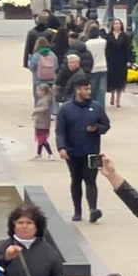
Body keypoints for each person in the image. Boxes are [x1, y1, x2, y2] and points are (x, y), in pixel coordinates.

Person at [56, 82, 110, 223]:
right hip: (73, 152)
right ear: (78, 90)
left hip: (93, 152)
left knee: (91, 180)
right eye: (86, 89)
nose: (89, 91)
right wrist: (61, 147)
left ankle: (93, 209)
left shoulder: (96, 107)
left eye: (89, 88)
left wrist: (97, 128)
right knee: (76, 180)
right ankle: (77, 211)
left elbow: (106, 125)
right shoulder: (65, 109)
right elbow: (60, 131)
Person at [104, 19, 135, 108]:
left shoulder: (124, 36)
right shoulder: (108, 36)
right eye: (115, 24)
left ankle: (118, 99)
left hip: (121, 60)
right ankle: (112, 95)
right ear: (112, 25)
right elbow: (106, 49)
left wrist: (129, 60)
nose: (117, 25)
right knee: (112, 78)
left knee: (120, 79)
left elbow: (128, 49)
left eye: (119, 24)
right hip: (111, 60)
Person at [85, 26, 109, 101]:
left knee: (93, 90)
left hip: (93, 68)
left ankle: (93, 105)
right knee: (102, 90)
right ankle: (101, 106)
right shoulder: (103, 42)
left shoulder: (87, 44)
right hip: (102, 67)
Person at [32, 84, 54, 159]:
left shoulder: (44, 100)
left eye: (39, 91)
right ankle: (39, 153)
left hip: (43, 122)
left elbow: (45, 108)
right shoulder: (45, 99)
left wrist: (35, 111)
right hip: (41, 122)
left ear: (44, 92)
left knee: (42, 139)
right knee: (41, 139)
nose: (37, 92)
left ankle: (50, 153)